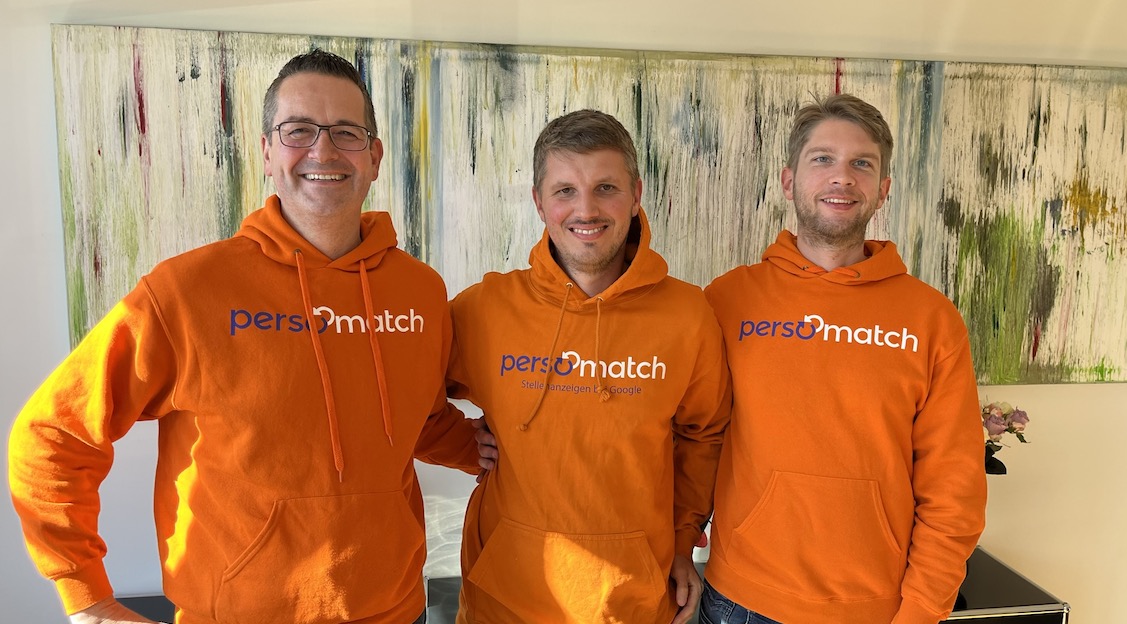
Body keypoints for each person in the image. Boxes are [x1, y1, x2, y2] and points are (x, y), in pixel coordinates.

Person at [9, 50, 483, 624]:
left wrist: (480, 448)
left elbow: (415, 419)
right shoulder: (186, 290)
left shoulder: (420, 290)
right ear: (266, 152)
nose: (323, 150)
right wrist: (87, 599)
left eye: (346, 132)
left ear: (375, 156)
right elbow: (53, 434)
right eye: (298, 130)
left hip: (394, 607)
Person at [700, 94, 987, 624]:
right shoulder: (727, 301)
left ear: (883, 190)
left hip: (876, 609)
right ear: (789, 181)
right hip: (741, 600)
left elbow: (955, 485)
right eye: (823, 159)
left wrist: (923, 609)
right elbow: (689, 437)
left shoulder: (931, 319)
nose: (842, 177)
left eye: (862, 163)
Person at [445, 109, 731, 624]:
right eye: (565, 191)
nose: (586, 209)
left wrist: (683, 538)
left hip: (632, 601)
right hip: (502, 601)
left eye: (606, 188)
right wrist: (458, 443)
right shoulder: (483, 309)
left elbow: (704, 434)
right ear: (539, 202)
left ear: (636, 195)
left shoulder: (688, 316)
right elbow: (400, 388)